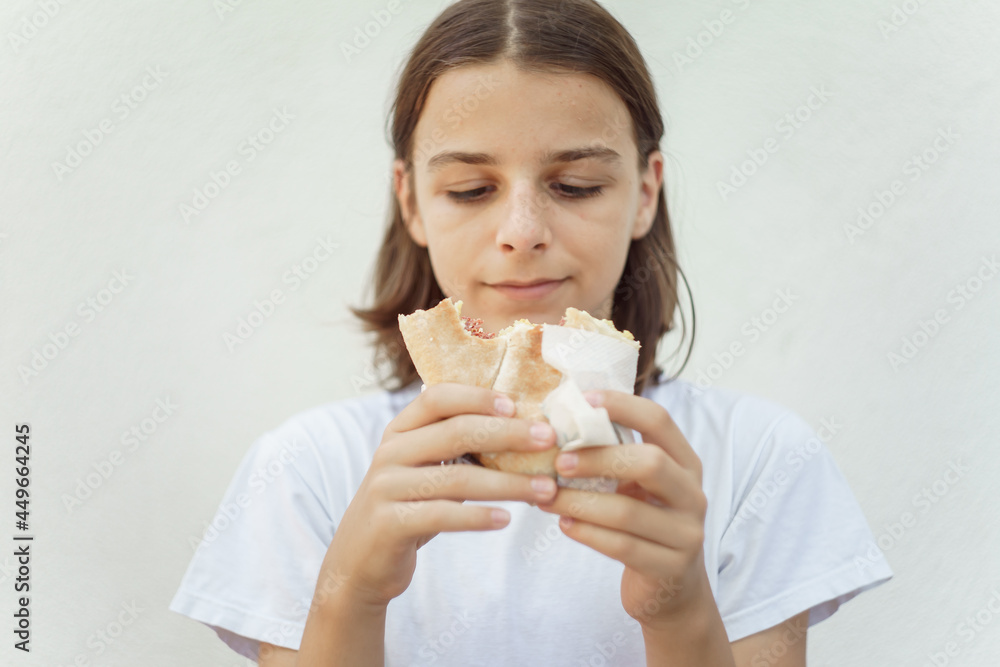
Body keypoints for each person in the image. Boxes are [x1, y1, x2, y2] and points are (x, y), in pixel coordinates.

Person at [169, 1, 893, 664]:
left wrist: (676, 611)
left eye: (575, 184)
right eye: (471, 190)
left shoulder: (761, 460)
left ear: (644, 193)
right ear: (412, 202)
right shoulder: (308, 471)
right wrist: (352, 594)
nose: (522, 232)